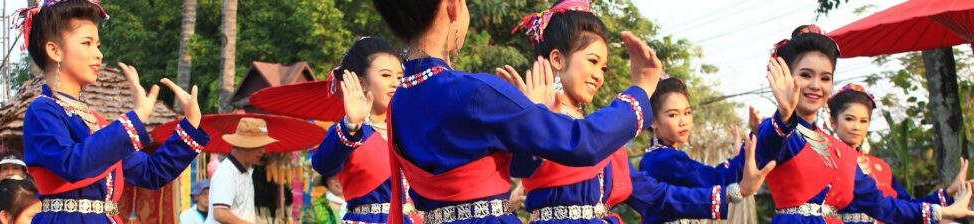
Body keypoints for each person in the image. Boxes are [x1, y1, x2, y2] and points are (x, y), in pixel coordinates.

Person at [371, 0, 772, 223]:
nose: (600, 74)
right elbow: (576, 147)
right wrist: (642, 89)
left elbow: (644, 193)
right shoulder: (481, 95)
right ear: (453, 7)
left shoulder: (403, 99)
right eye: (594, 61)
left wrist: (736, 191)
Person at [756, 25, 974, 223]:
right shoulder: (779, 130)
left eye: (825, 78)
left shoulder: (842, 152)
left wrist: (945, 211)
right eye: (805, 75)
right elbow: (766, 151)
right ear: (786, 76)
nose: (816, 86)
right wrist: (784, 114)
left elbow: (882, 206)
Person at [19, 0, 208, 223]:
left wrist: (191, 123)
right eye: (87, 43)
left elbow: (151, 173)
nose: (98, 54)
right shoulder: (42, 111)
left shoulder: (97, 122)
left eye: (97, 45)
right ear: (54, 50)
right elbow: (72, 164)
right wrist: (134, 119)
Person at [827, 83, 967, 223]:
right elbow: (882, 205)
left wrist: (949, 191)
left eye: (864, 121)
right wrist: (945, 212)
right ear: (833, 122)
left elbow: (905, 205)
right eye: (849, 119)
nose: (857, 127)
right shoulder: (829, 160)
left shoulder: (880, 167)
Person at [312, 36, 411, 223]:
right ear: (362, 82)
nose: (395, 83)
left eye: (399, 77)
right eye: (386, 75)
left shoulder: (409, 131)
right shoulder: (351, 132)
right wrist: (351, 123)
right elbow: (323, 164)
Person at [635, 78, 758, 224]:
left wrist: (734, 160)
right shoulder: (665, 160)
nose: (683, 121)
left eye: (687, 113)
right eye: (673, 115)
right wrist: (757, 135)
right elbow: (714, 181)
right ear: (653, 121)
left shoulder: (655, 157)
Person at [206, 118, 275, 224]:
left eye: (263, 146)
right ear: (242, 145)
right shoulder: (227, 173)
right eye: (258, 146)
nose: (263, 151)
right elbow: (220, 213)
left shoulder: (245, 171)